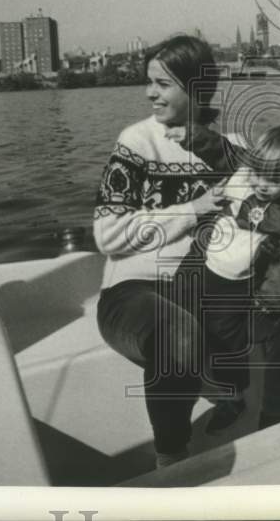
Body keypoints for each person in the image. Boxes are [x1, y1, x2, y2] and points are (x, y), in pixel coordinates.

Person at [93, 35, 228, 468]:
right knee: (178, 333)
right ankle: (172, 461)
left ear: (198, 89)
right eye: (149, 82)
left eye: (164, 84)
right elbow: (108, 235)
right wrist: (194, 208)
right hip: (133, 294)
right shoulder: (135, 142)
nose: (150, 93)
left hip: (202, 289)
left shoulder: (225, 147)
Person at [168, 123, 280, 432]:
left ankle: (242, 400)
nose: (262, 184)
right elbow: (220, 148)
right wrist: (192, 135)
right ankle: (194, 385)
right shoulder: (243, 169)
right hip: (199, 268)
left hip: (241, 285)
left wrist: (266, 303)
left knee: (230, 342)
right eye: (258, 173)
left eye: (274, 179)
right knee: (180, 321)